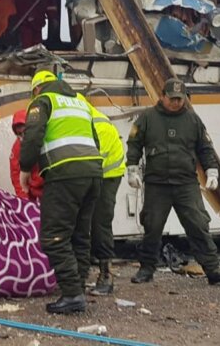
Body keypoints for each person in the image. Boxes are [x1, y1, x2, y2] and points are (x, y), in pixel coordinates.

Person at [126, 78, 220, 285]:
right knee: (152, 227)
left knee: (198, 225)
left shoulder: (193, 120)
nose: (176, 102)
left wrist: (212, 171)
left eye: (180, 98)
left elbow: (205, 148)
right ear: (162, 96)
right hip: (157, 183)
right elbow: (134, 143)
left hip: (186, 183)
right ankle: (146, 269)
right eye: (172, 98)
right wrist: (132, 169)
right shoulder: (147, 118)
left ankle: (212, 270)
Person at [18, 70, 103, 314]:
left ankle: (73, 293)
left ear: (36, 89)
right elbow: (94, 139)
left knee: (53, 236)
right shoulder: (80, 102)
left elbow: (33, 136)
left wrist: (26, 168)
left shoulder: (43, 101)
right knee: (80, 233)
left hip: (64, 174)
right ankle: (79, 284)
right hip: (93, 173)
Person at [86, 104, 126, 296]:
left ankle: (105, 274)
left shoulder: (97, 126)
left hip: (108, 174)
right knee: (81, 220)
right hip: (89, 172)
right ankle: (80, 272)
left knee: (100, 220)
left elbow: (93, 160)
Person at [8, 109, 44, 201]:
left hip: (50, 189)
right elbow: (15, 174)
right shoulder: (17, 147)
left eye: (24, 132)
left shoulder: (44, 139)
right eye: (19, 134)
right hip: (33, 192)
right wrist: (23, 199)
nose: (22, 136)